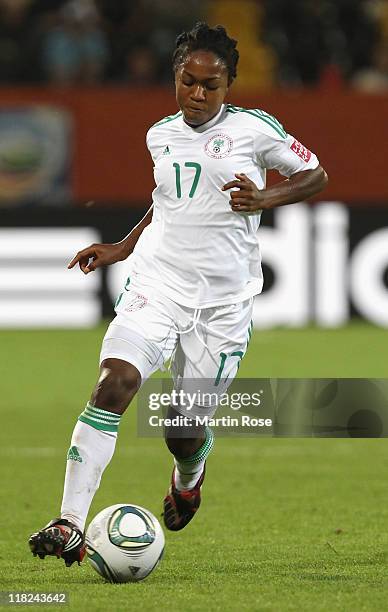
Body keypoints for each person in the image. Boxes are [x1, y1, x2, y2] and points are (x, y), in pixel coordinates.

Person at [29, 22, 328, 567]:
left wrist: (267, 196)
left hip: (222, 303)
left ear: (228, 85)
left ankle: (189, 475)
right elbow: (167, 203)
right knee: (114, 384)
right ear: (176, 76)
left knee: (182, 430)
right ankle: (69, 521)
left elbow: (315, 174)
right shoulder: (158, 134)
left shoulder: (255, 130)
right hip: (157, 283)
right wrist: (123, 246)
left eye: (209, 86)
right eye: (188, 81)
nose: (197, 94)